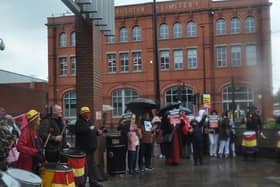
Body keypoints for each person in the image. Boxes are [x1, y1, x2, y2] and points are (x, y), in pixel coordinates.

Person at [75, 106, 103, 187]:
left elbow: (93, 131)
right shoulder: (79, 122)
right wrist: (89, 128)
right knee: (85, 167)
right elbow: (78, 131)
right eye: (86, 113)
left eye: (88, 112)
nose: (88, 114)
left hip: (92, 147)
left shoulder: (90, 121)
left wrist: (98, 132)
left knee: (92, 166)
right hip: (84, 148)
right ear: (82, 114)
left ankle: (93, 182)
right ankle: (82, 183)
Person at [16, 109, 44, 174]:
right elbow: (19, 146)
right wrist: (34, 151)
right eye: (38, 118)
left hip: (34, 162)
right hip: (27, 163)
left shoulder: (35, 130)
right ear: (34, 120)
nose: (40, 119)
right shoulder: (26, 131)